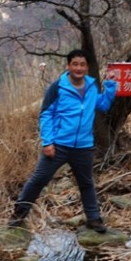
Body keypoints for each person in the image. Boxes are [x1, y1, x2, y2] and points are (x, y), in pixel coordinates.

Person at [9, 49, 118, 233]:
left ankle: (94, 219)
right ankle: (18, 214)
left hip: (83, 146)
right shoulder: (57, 87)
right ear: (68, 66)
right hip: (58, 145)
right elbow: (45, 115)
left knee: (86, 184)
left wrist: (110, 84)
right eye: (75, 64)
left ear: (87, 67)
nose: (79, 68)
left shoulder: (91, 86)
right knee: (38, 180)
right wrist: (47, 142)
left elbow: (104, 104)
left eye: (82, 65)